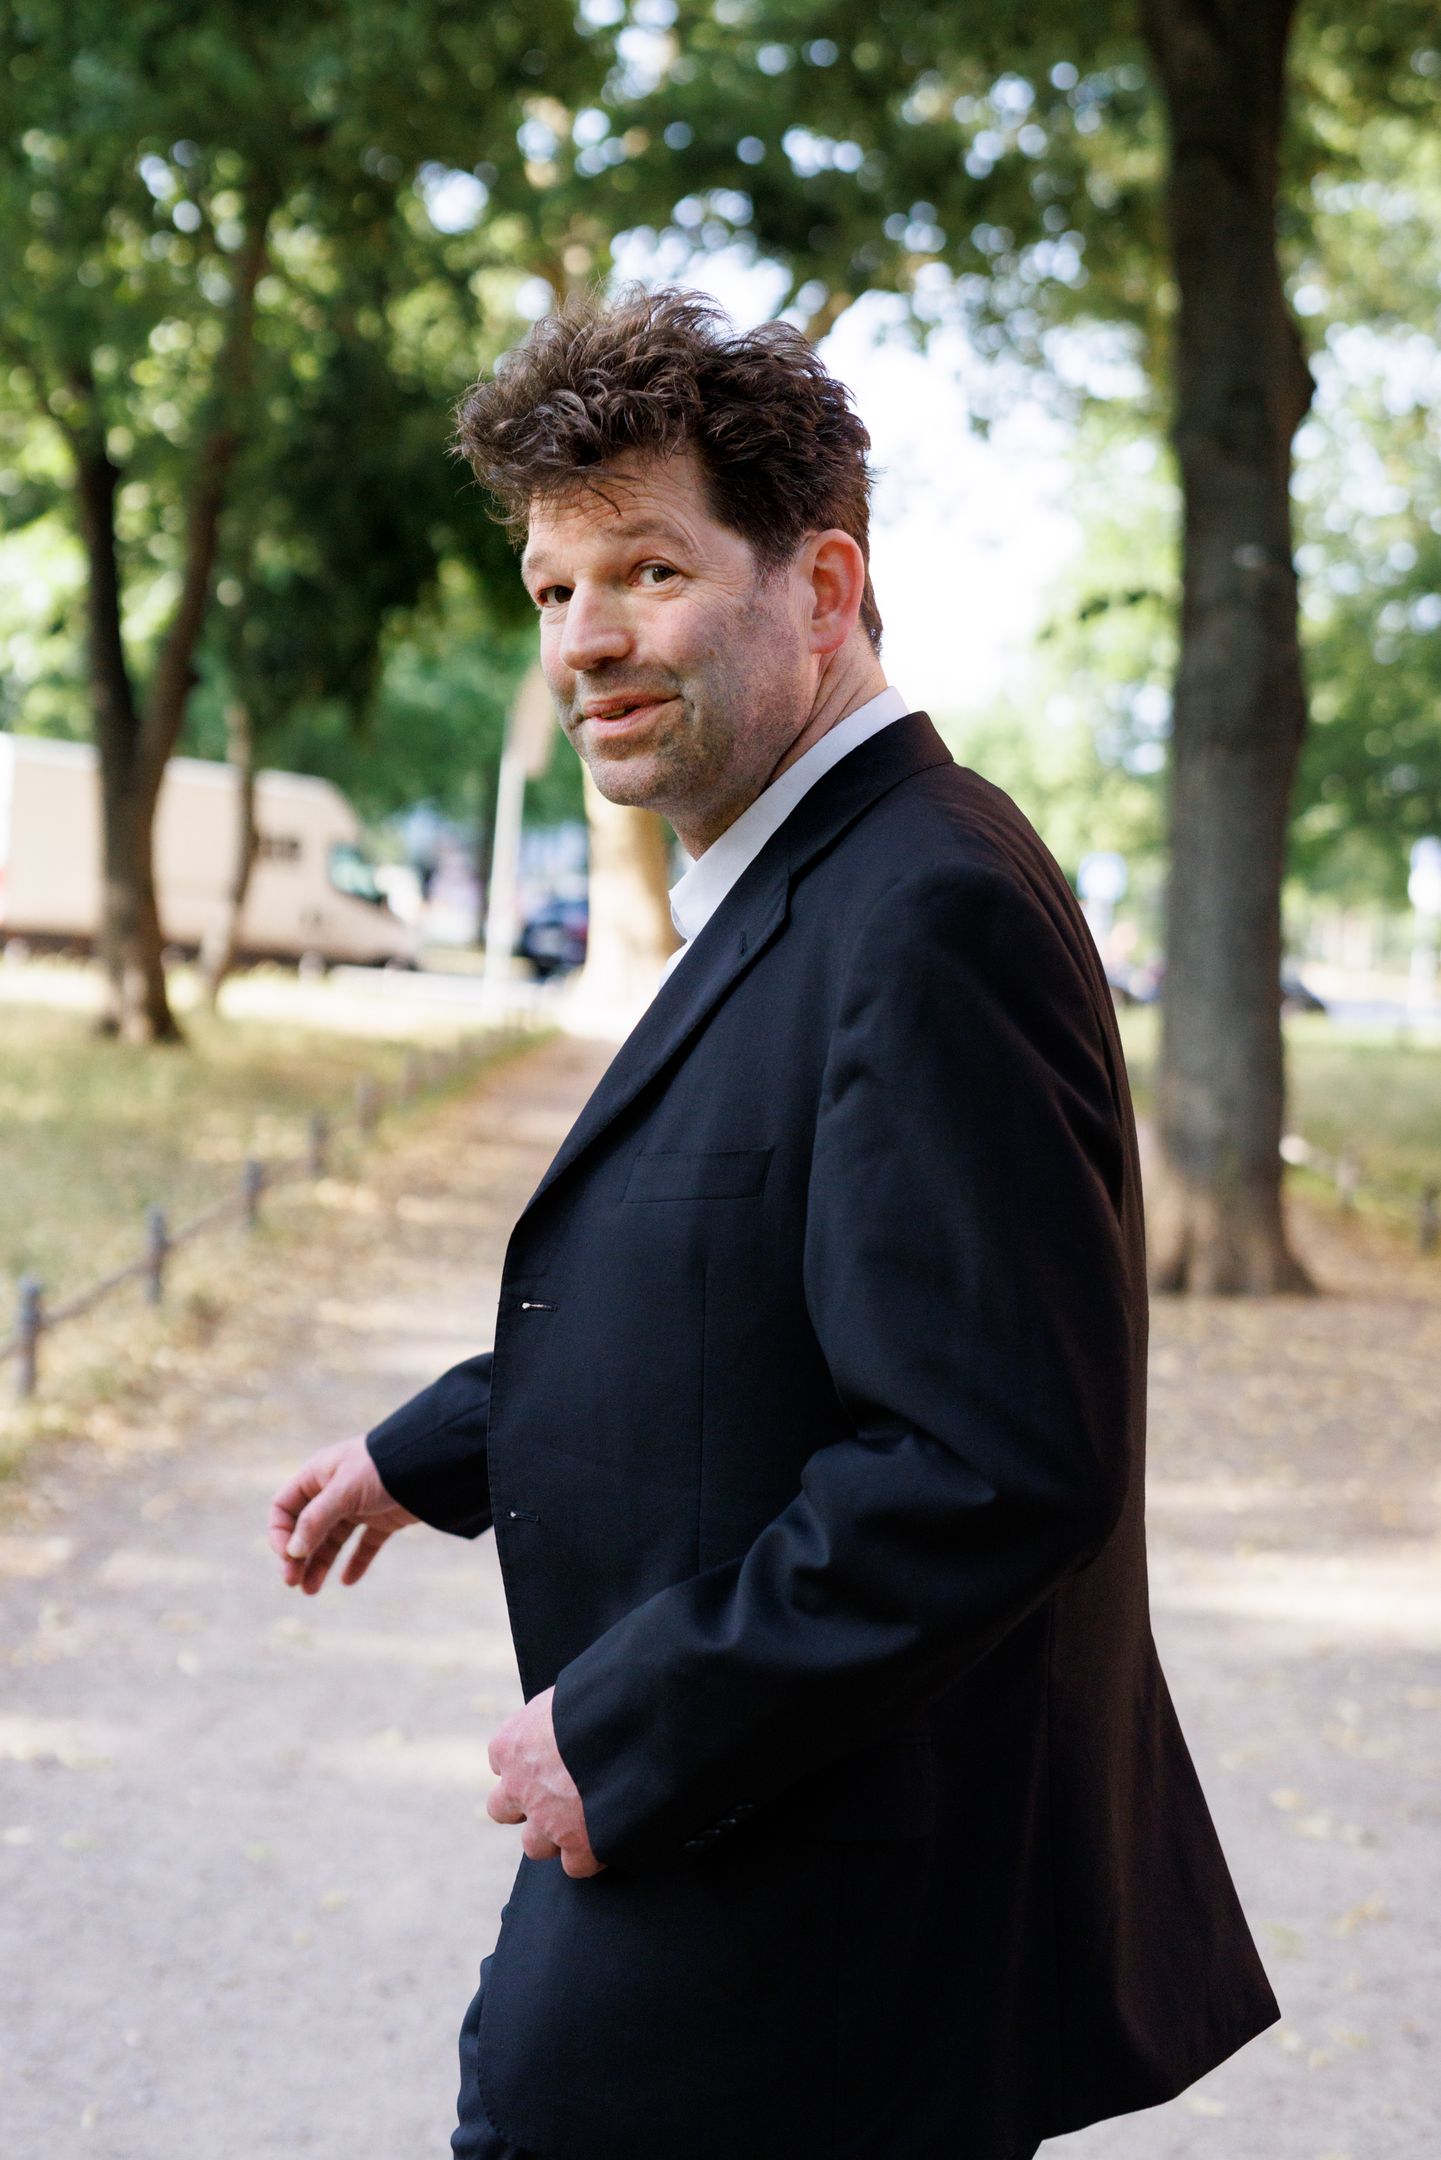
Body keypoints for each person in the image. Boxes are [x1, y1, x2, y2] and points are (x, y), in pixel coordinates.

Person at [269, 287, 1278, 2160]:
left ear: (821, 589)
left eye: (646, 571)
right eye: (553, 588)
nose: (583, 640)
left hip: (805, 1925)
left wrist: (626, 1724)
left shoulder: (926, 907)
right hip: (766, 1875)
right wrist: (436, 1448)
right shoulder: (810, 872)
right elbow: (742, 1290)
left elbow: (988, 1460)